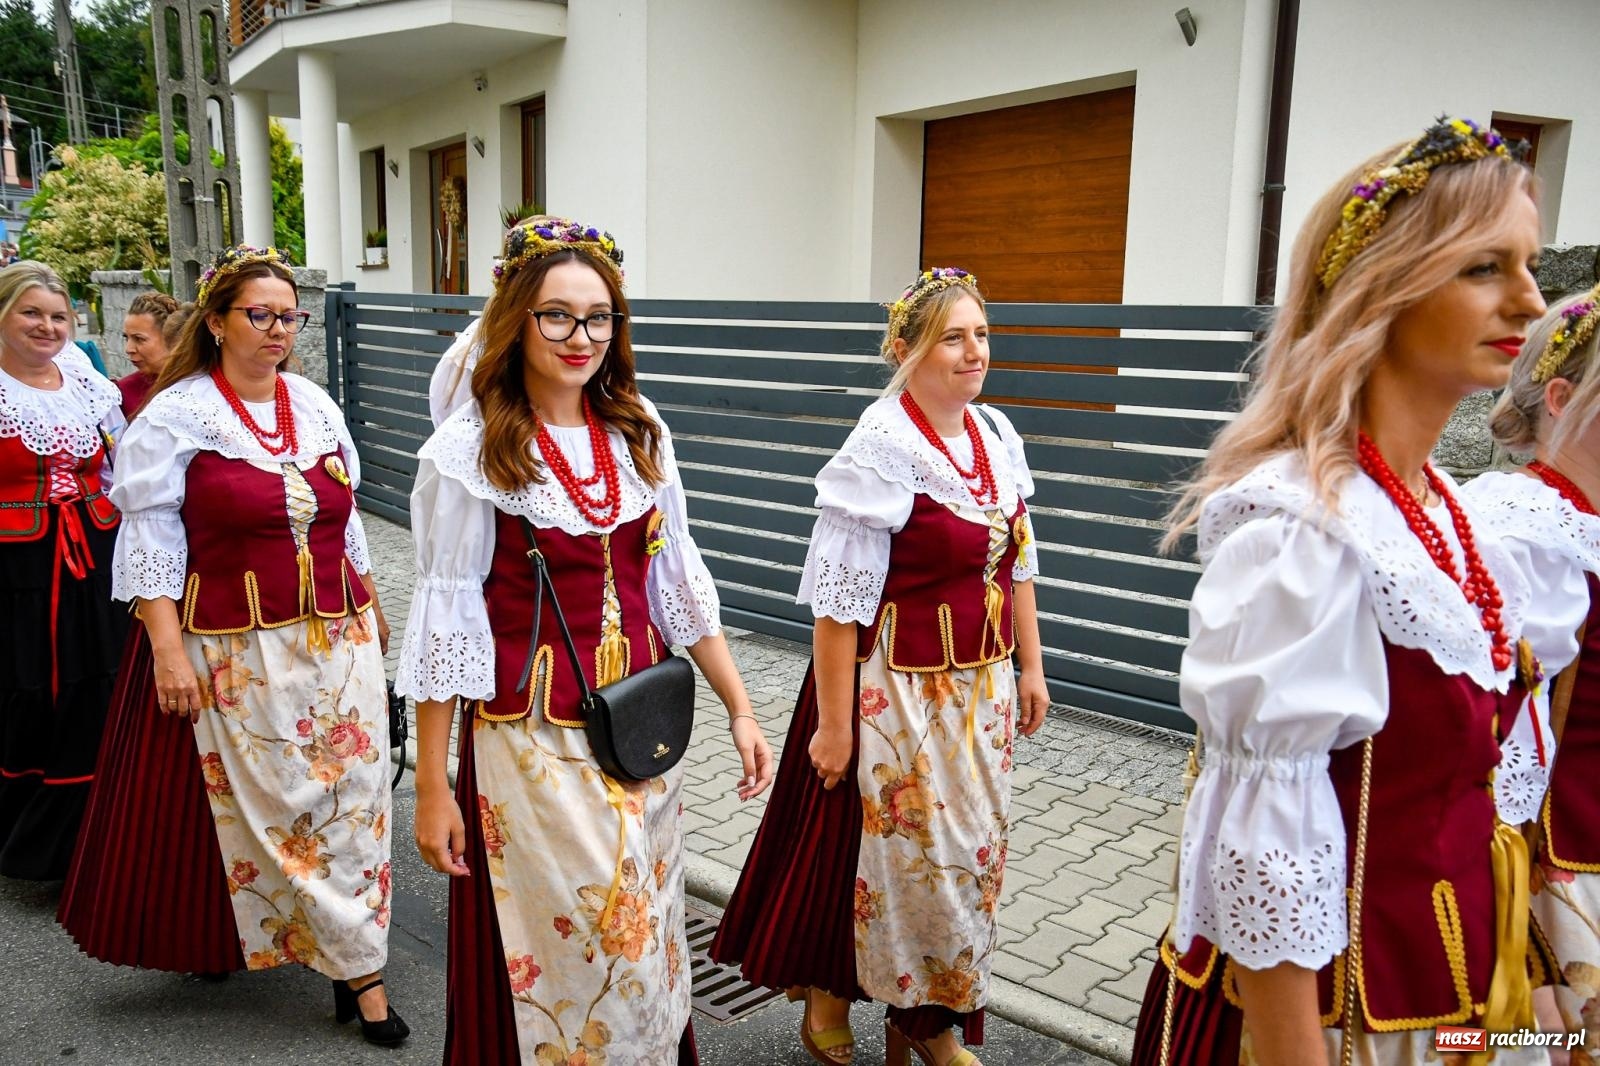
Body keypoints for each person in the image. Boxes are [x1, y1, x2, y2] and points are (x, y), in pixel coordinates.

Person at [1128, 118, 1564, 1066]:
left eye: (1529, 266)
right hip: (1341, 1026)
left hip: (1457, 1008)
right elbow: (1264, 853)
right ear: (1385, 286)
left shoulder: (1446, 511)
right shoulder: (1304, 535)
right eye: (1485, 267)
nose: (1531, 300)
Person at [398, 217, 774, 1066]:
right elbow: (445, 626)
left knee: (651, 933)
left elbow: (677, 582)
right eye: (557, 316)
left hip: (638, 729)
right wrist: (431, 785)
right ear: (516, 320)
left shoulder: (637, 429)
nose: (581, 337)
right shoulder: (471, 449)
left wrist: (741, 708)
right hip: (531, 742)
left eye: (599, 317)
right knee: (590, 947)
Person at [57, 244, 406, 1047]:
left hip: (339, 641)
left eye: (290, 315)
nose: (279, 328)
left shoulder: (313, 404)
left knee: (353, 806)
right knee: (269, 809)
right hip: (236, 653)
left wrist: (373, 600)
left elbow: (343, 515)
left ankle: (360, 966)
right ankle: (291, 944)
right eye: (260, 314)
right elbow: (150, 540)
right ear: (216, 322)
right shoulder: (175, 416)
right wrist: (166, 651)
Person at [709, 267, 1050, 1066]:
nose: (974, 352)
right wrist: (834, 728)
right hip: (890, 694)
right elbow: (837, 606)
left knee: (966, 862)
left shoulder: (995, 436)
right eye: (953, 338)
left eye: (981, 334)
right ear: (906, 350)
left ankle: (921, 1020)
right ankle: (863, 1007)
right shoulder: (881, 448)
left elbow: (1020, 564)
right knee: (882, 861)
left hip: (980, 697)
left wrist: (1032, 667)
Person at [1462, 283, 1600, 1064]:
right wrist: (1518, 950)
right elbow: (1492, 753)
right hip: (1557, 884)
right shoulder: (1529, 531)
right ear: (1562, 400)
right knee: (1532, 1043)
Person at [0, 260, 126, 880]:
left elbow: (120, 464)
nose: (47, 327)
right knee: (26, 685)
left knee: (99, 680)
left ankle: (95, 837)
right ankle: (27, 838)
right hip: (16, 564)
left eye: (58, 316)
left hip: (94, 554)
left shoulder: (84, 381)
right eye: (31, 313)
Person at [115, 291, 181, 417]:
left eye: (139, 339)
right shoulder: (124, 392)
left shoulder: (203, 384)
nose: (128, 349)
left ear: (172, 338)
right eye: (126, 338)